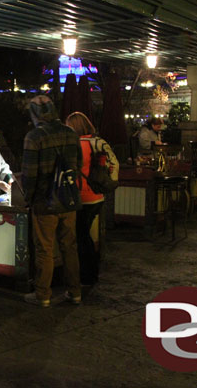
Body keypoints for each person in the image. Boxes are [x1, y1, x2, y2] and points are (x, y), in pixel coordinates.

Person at [22, 95, 82, 307]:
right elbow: (78, 165)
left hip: (44, 202)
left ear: (34, 114)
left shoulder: (34, 137)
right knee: (70, 247)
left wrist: (29, 199)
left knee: (45, 250)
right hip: (68, 200)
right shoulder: (71, 133)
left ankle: (43, 295)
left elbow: (29, 175)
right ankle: (75, 292)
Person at [65, 111, 119, 285]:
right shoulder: (99, 142)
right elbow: (114, 163)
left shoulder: (75, 144)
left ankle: (88, 275)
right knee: (86, 234)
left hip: (82, 196)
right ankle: (91, 271)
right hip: (98, 195)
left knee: (81, 237)